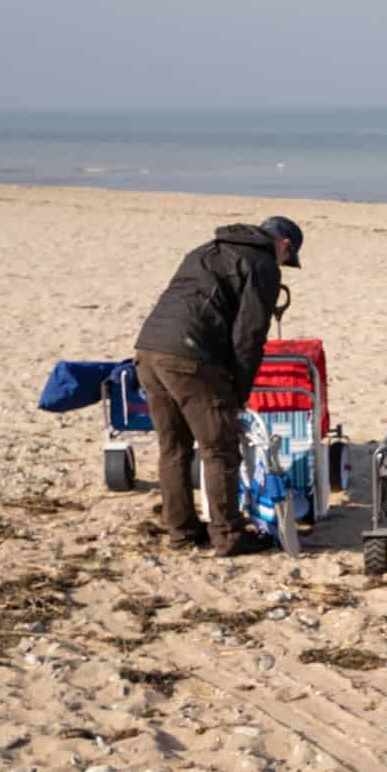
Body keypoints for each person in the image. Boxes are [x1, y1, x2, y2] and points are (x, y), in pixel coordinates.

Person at [133, 217, 303, 555]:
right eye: (288, 256)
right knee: (220, 449)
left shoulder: (205, 250)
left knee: (173, 448)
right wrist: (239, 392)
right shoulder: (263, 264)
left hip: (148, 349)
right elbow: (249, 335)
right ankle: (228, 536)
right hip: (189, 356)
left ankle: (181, 533)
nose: (284, 262)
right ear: (284, 244)